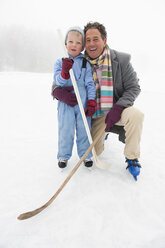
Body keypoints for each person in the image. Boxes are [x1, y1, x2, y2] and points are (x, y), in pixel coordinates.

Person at [53, 22, 144, 181]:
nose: (91, 44)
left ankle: (132, 157)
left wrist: (119, 107)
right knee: (93, 150)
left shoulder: (120, 61)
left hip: (116, 110)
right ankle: (102, 135)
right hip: (95, 115)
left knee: (136, 115)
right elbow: (57, 83)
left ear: (104, 40)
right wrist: (58, 92)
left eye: (96, 39)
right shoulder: (79, 60)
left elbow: (134, 87)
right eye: (87, 40)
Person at [52, 26, 96, 169]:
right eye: (70, 41)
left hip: (82, 101)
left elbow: (90, 84)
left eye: (78, 43)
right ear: (65, 44)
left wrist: (91, 101)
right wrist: (65, 71)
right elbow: (58, 82)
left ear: (82, 46)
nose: (74, 45)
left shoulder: (85, 63)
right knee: (66, 128)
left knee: (84, 128)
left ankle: (86, 155)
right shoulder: (60, 62)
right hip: (66, 102)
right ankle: (63, 155)